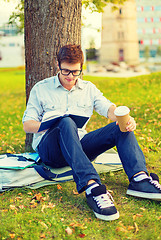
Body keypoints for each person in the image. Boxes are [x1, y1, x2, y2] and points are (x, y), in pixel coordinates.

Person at [23, 44, 161, 221]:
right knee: (65, 122)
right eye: (66, 71)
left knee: (119, 125)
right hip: (52, 151)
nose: (70, 77)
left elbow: (109, 109)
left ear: (81, 68)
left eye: (75, 72)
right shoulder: (41, 88)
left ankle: (139, 179)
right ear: (58, 66)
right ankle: (92, 186)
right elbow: (28, 125)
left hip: (79, 148)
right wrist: (49, 124)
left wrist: (124, 118)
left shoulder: (88, 88)